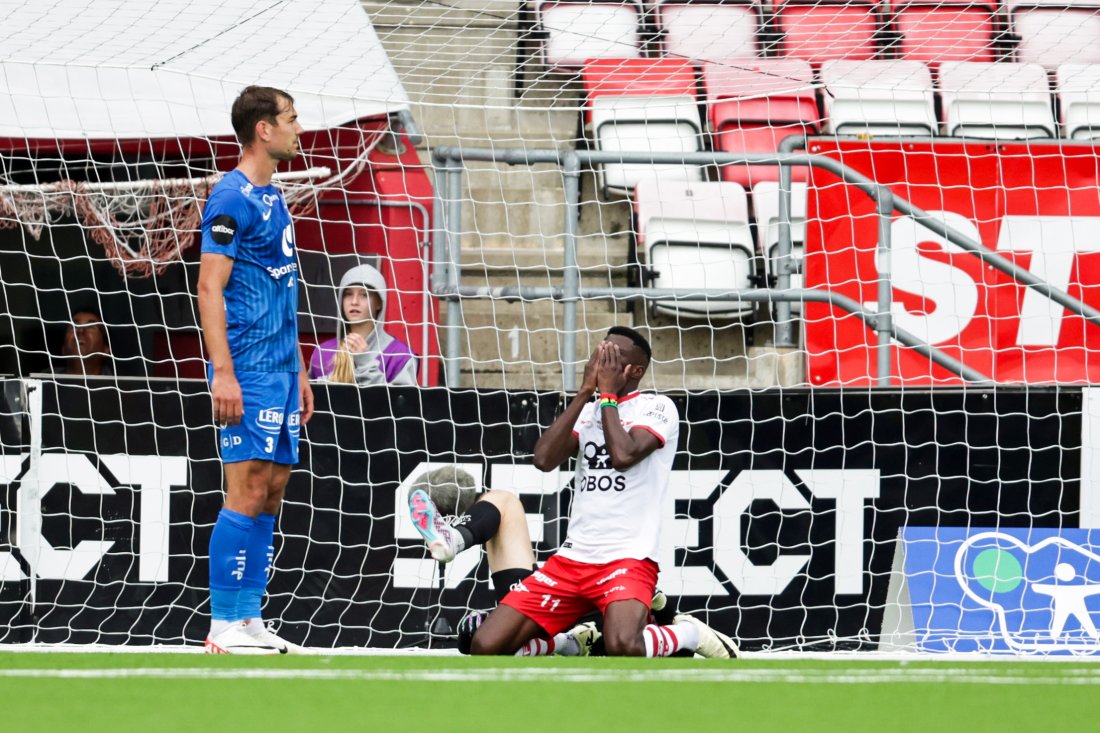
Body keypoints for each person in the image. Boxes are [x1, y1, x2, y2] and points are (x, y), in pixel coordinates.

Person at [409, 327, 738, 658]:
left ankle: (688, 633)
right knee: (485, 645)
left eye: (614, 358)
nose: (603, 363)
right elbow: (543, 459)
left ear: (636, 371)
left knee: (623, 645)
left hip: (627, 558)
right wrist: (584, 392)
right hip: (572, 560)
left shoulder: (657, 407)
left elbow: (624, 456)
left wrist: (607, 396)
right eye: (600, 354)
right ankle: (566, 643)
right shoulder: (589, 412)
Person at [197, 85, 315, 655]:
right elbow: (209, 285)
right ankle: (224, 622)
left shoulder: (277, 200)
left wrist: (298, 369)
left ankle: (249, 619)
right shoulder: (231, 198)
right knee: (245, 489)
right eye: (291, 119)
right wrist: (223, 371)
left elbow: (283, 289)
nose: (299, 128)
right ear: (263, 129)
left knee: (271, 491)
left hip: (279, 370)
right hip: (243, 368)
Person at [308, 263, 417, 386]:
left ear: (379, 303)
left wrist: (365, 362)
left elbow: (397, 404)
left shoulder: (400, 357)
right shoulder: (322, 352)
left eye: (364, 295)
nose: (354, 302)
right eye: (348, 294)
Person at [57, 310, 113, 377]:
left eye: (90, 327)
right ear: (63, 349)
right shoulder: (43, 381)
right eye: (74, 327)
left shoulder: (120, 385)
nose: (80, 330)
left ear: (105, 350)